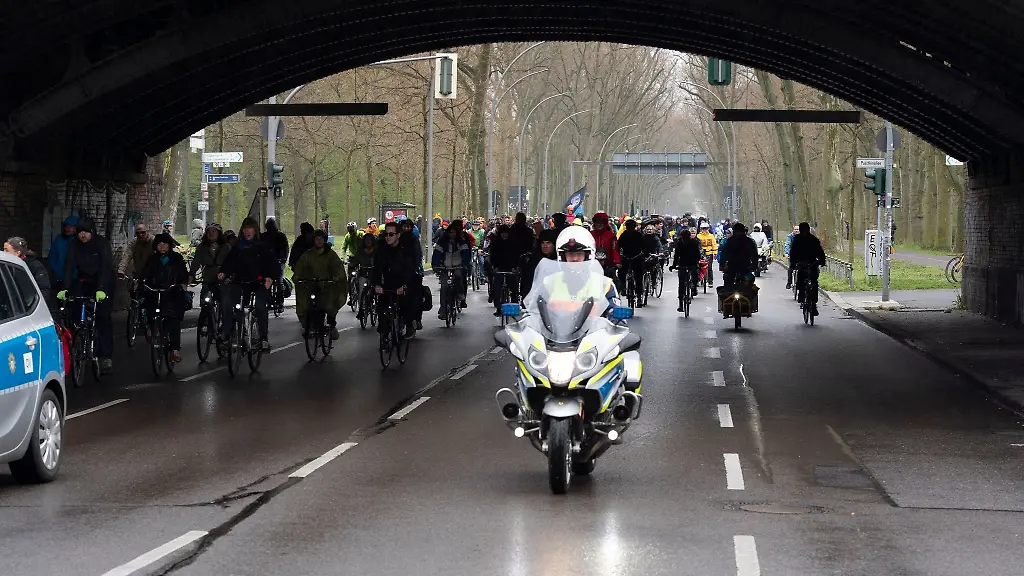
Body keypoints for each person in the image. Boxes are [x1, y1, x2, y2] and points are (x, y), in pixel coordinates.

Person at [59, 217, 115, 374]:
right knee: (76, 305)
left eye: (85, 232)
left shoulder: (102, 244)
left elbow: (106, 266)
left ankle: (105, 356)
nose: (82, 235)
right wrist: (65, 288)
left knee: (103, 316)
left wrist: (102, 288)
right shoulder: (74, 245)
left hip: (103, 281)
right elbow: (69, 267)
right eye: (79, 232)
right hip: (85, 280)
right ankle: (81, 337)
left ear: (92, 232)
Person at [217, 217, 279, 351]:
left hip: (259, 282)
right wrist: (224, 272)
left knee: (260, 307)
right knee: (230, 304)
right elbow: (229, 262)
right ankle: (229, 334)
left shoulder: (263, 246)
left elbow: (273, 264)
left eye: (250, 229)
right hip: (241, 282)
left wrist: (270, 277)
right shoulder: (238, 247)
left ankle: (263, 338)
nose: (247, 232)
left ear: (255, 230)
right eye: (245, 229)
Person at [140, 233, 189, 363]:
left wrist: (183, 284)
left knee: (173, 319)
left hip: (172, 293)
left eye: (165, 244)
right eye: (159, 244)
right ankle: (151, 329)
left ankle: (175, 349)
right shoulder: (152, 259)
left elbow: (183, 274)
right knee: (149, 309)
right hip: (155, 292)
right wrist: (143, 283)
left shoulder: (176, 258)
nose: (162, 247)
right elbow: (145, 274)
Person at [293, 230, 346, 339]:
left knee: (329, 304)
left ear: (324, 240)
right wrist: (297, 276)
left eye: (321, 239)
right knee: (305, 302)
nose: (318, 241)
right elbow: (300, 265)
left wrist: (336, 277)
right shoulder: (308, 254)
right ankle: (309, 325)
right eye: (316, 239)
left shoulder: (330, 255)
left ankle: (331, 325)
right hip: (312, 283)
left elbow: (338, 267)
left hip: (327, 285)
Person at [371, 221, 417, 336]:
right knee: (382, 308)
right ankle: (384, 334)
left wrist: (405, 285)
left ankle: (409, 323)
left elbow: (410, 268)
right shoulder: (381, 248)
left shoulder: (406, 249)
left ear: (398, 235)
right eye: (386, 234)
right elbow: (377, 267)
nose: (388, 237)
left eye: (391, 234)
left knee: (407, 302)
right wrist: (377, 284)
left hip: (403, 281)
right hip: (387, 282)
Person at [431, 219, 471, 319]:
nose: (451, 234)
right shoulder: (442, 241)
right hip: (445, 266)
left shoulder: (461, 241)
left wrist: (465, 264)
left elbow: (466, 253)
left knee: (458, 276)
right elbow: (437, 253)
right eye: (450, 232)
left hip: (458, 265)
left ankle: (459, 294)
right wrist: (435, 264)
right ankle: (443, 309)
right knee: (444, 287)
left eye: (453, 232)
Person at [189, 223, 230, 312]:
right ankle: (204, 322)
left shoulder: (226, 247)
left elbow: (231, 262)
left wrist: (228, 275)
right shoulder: (202, 247)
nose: (211, 233)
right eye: (209, 231)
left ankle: (226, 322)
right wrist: (191, 274)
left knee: (225, 304)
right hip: (208, 279)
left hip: (223, 280)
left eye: (214, 231)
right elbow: (196, 261)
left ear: (219, 233)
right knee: (205, 302)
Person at [788, 221, 827, 315]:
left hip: (805, 263)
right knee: (813, 281)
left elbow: (793, 252)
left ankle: (806, 299)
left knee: (805, 279)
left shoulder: (798, 239)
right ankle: (811, 301)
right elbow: (820, 251)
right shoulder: (813, 239)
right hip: (811, 263)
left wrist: (793, 264)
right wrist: (821, 261)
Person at [5, 237, 52, 309]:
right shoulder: (4, 266)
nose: (3, 252)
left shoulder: (34, 266)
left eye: (6, 250)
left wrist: (33, 308)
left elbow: (44, 290)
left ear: (17, 253)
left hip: (27, 308)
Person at [487, 224, 521, 316]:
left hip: (511, 268)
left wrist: (516, 267)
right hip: (499, 268)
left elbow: (517, 256)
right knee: (497, 287)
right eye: (503, 233)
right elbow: (493, 256)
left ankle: (513, 308)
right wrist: (494, 266)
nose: (504, 235)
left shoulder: (513, 243)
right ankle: (498, 307)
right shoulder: (496, 243)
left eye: (506, 233)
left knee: (514, 289)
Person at [117, 223, 154, 305]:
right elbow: (126, 256)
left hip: (152, 274)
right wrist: (121, 270)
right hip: (138, 274)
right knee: (134, 293)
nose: (140, 235)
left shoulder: (153, 241)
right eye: (137, 233)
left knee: (151, 297)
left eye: (143, 232)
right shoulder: (134, 242)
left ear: (148, 231)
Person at [399, 218, 425, 330]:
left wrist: (415, 267)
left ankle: (416, 319)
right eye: (404, 227)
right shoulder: (397, 239)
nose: (406, 229)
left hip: (413, 271)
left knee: (415, 295)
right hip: (399, 271)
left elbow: (418, 255)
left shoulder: (414, 240)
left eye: (408, 227)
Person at [669, 228, 702, 311]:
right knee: (695, 276)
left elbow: (676, 256)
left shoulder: (679, 243)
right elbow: (698, 253)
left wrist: (673, 266)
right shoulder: (694, 242)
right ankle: (694, 288)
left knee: (681, 284)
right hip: (692, 264)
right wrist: (697, 262)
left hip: (682, 264)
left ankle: (680, 304)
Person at [263, 217, 290, 313]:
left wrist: (283, 259)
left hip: (278, 261)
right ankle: (270, 300)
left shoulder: (280, 236)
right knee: (267, 282)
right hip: (268, 262)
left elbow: (285, 248)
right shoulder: (265, 236)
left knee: (279, 282)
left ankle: (280, 302)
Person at [617, 219, 646, 298]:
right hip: (637, 257)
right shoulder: (638, 235)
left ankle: (623, 288)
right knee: (638, 277)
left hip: (626, 257)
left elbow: (618, 246)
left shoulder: (623, 235)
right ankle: (639, 296)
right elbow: (643, 246)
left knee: (622, 273)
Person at [352, 232, 378, 321]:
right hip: (363, 273)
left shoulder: (376, 250)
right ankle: (361, 310)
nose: (368, 242)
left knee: (376, 288)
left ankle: (376, 304)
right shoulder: (360, 250)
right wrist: (353, 263)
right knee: (361, 290)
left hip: (374, 274)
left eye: (370, 240)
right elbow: (356, 259)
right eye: (366, 240)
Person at [523, 228, 558, 293]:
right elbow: (528, 281)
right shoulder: (534, 260)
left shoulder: (560, 260)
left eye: (548, 243)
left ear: (554, 245)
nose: (545, 246)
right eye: (543, 243)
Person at [48, 215, 78, 290]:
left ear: (76, 228)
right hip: (60, 277)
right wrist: (57, 269)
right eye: (66, 226)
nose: (67, 229)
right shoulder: (59, 239)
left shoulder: (79, 241)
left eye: (70, 226)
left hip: (76, 278)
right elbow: (52, 256)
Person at [590, 211, 620, 281]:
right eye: (597, 222)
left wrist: (617, 261)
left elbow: (614, 249)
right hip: (592, 265)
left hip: (607, 265)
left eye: (601, 223)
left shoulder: (611, 236)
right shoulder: (590, 235)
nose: (599, 225)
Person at [469, 219, 487, 285]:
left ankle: (482, 277)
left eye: (477, 225)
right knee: (469, 262)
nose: (475, 227)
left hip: (479, 248)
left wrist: (481, 248)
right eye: (474, 225)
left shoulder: (482, 231)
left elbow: (483, 240)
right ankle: (469, 277)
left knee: (481, 262)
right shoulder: (469, 232)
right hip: (471, 248)